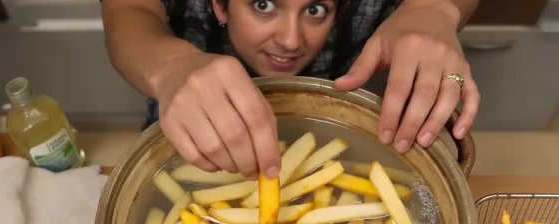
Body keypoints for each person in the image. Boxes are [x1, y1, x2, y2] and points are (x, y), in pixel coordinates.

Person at [101, 0, 480, 179]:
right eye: (263, 4)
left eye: (315, 9)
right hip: (184, 123)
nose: (289, 40)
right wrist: (169, 66)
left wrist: (434, 11)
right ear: (219, 5)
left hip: (331, 136)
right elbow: (128, 11)